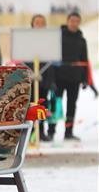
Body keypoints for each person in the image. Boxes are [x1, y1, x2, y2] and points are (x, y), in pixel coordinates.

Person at [50, 12, 95, 141]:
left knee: (72, 105)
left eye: (76, 21)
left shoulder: (81, 40)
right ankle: (51, 130)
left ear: (79, 22)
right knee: (55, 103)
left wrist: (85, 79)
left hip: (75, 78)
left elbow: (84, 60)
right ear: (67, 21)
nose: (74, 23)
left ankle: (68, 132)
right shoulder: (59, 37)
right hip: (59, 77)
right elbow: (53, 59)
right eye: (72, 20)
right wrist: (51, 78)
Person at [28, 14, 56, 142]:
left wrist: (50, 80)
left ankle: (41, 131)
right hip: (31, 77)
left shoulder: (50, 40)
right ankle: (31, 132)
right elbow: (24, 58)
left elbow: (51, 60)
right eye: (37, 22)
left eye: (42, 23)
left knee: (43, 105)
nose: (39, 25)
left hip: (45, 77)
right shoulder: (27, 40)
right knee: (32, 105)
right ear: (32, 24)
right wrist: (30, 72)